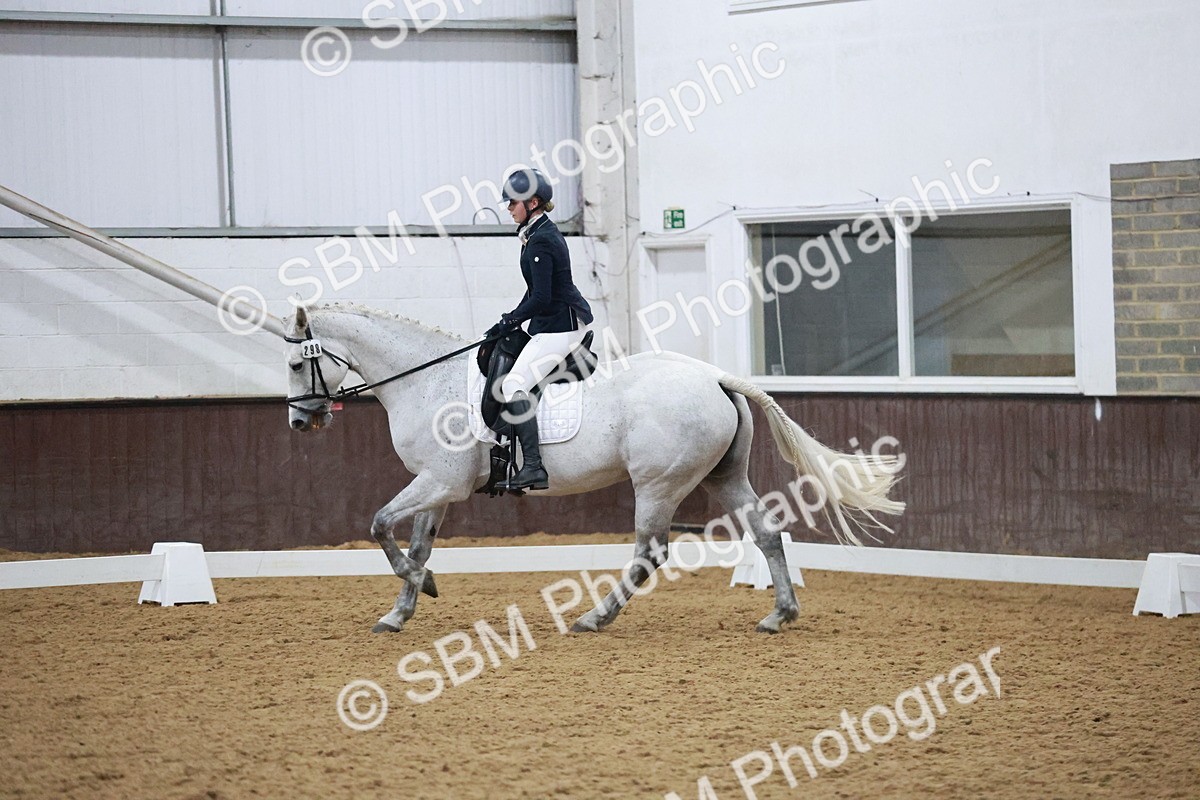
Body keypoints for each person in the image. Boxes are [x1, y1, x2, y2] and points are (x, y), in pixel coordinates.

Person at [485, 168, 593, 491]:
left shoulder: (541, 239)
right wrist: (508, 320)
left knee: (515, 383)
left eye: (513, 203)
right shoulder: (535, 232)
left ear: (532, 202)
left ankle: (533, 466)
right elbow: (535, 292)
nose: (508, 208)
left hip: (562, 326)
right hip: (552, 322)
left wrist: (513, 319)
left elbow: (543, 297)